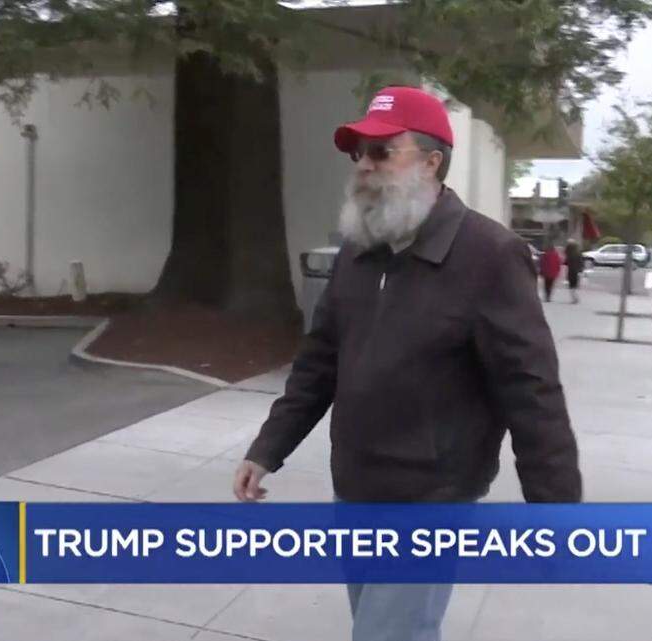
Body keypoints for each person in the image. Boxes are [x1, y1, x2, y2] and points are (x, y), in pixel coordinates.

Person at [232, 86, 581, 641]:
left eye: (380, 152)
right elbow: (319, 362)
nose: (364, 166)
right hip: (355, 484)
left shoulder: (489, 255)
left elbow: (531, 390)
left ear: (432, 161)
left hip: (430, 499)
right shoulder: (360, 248)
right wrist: (268, 448)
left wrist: (557, 513)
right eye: (358, 153)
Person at [564, 239, 584, 304]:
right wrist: (581, 270)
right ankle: (575, 297)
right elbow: (581, 262)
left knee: (571, 285)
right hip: (577, 271)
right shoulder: (578, 253)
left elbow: (566, 262)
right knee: (575, 285)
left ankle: (574, 298)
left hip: (571, 270)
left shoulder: (569, 253)